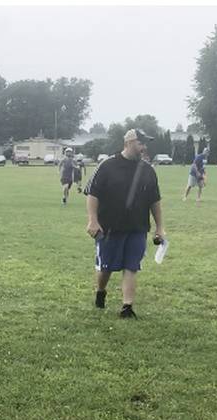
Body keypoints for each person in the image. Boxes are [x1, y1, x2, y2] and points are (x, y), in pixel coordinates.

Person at [85, 129, 165, 319]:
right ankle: (100, 291)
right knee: (106, 268)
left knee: (132, 266)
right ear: (129, 142)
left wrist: (159, 227)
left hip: (137, 227)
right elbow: (92, 194)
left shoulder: (148, 170)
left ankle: (127, 307)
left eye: (145, 144)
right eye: (141, 143)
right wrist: (92, 220)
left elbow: (155, 201)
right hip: (110, 227)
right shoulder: (107, 166)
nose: (144, 147)